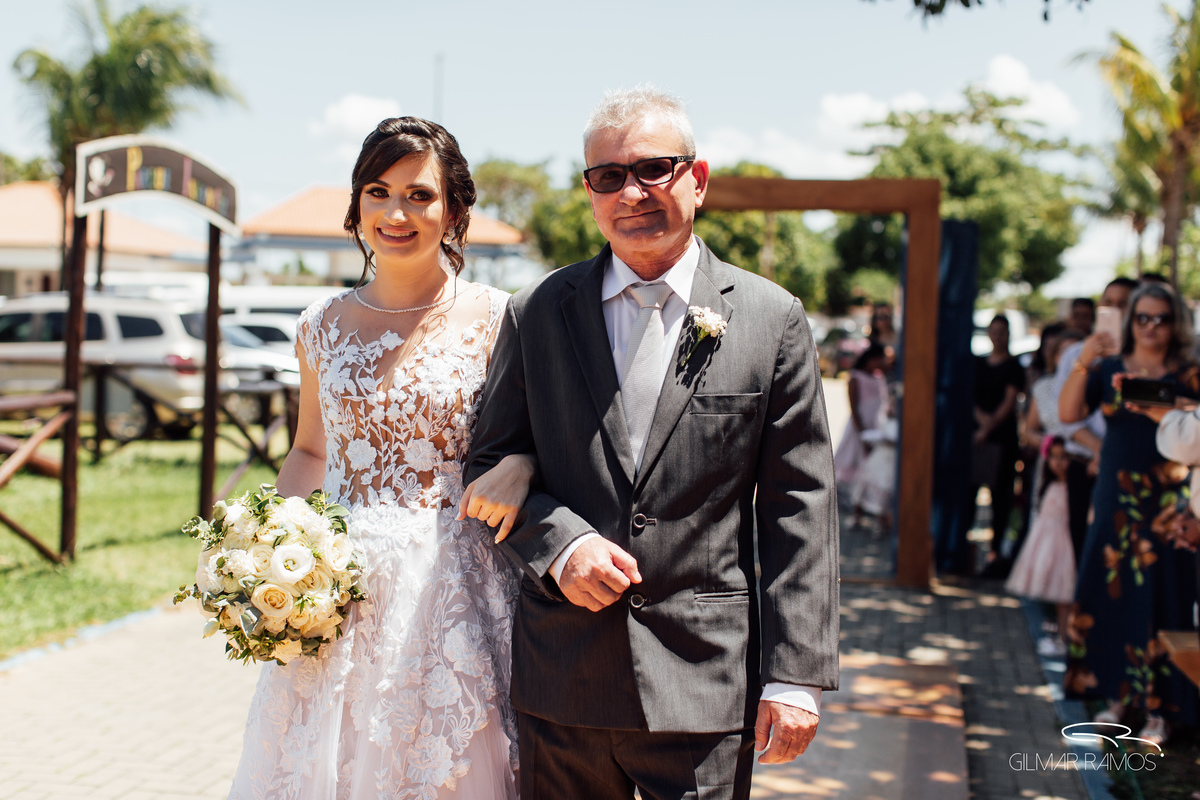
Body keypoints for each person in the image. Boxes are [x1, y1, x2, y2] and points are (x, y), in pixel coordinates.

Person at [464, 86, 840, 799]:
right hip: (564, 677)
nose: (631, 192)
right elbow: (489, 466)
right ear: (590, 193)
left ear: (696, 180)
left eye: (652, 170)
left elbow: (801, 508)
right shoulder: (538, 311)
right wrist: (562, 547)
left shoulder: (771, 317)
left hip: (703, 682)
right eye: (609, 177)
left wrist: (795, 677)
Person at [228, 117, 532, 799]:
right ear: (357, 205)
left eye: (420, 195)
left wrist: (526, 465)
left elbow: (539, 439)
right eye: (378, 191)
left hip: (455, 595)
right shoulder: (320, 324)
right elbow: (310, 449)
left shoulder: (500, 318)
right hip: (339, 598)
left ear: (454, 210)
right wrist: (271, 550)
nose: (397, 213)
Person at [1059, 282, 1199, 747]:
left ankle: (1160, 709)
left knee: (1164, 599)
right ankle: (1118, 699)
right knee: (1110, 593)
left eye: (1162, 318)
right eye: (1143, 317)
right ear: (1130, 319)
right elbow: (1068, 412)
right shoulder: (1111, 367)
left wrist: (1168, 405)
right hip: (1116, 497)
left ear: (1175, 321)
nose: (1152, 327)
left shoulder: (1190, 371)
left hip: (1170, 501)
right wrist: (1085, 356)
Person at [1006, 436, 1076, 657]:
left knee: (1063, 594)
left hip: (1063, 544)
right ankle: (1056, 634)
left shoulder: (1073, 489)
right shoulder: (1048, 485)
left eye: (1063, 457)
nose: (1058, 463)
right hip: (1045, 542)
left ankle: (1065, 637)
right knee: (1049, 590)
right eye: (1053, 457)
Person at [972, 314, 1025, 576]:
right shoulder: (978, 364)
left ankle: (994, 556)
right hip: (979, 440)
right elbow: (971, 396)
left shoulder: (1014, 366)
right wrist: (981, 424)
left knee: (1000, 500)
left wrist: (988, 426)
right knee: (971, 494)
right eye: (993, 331)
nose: (997, 336)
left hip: (1001, 441)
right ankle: (969, 555)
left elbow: (1009, 401)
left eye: (1002, 331)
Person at [833, 343, 889, 504]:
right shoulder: (856, 378)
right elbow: (854, 408)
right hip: (861, 427)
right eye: (880, 359)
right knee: (856, 461)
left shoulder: (879, 377)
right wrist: (862, 433)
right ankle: (854, 502)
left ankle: (865, 502)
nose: (882, 363)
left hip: (876, 426)